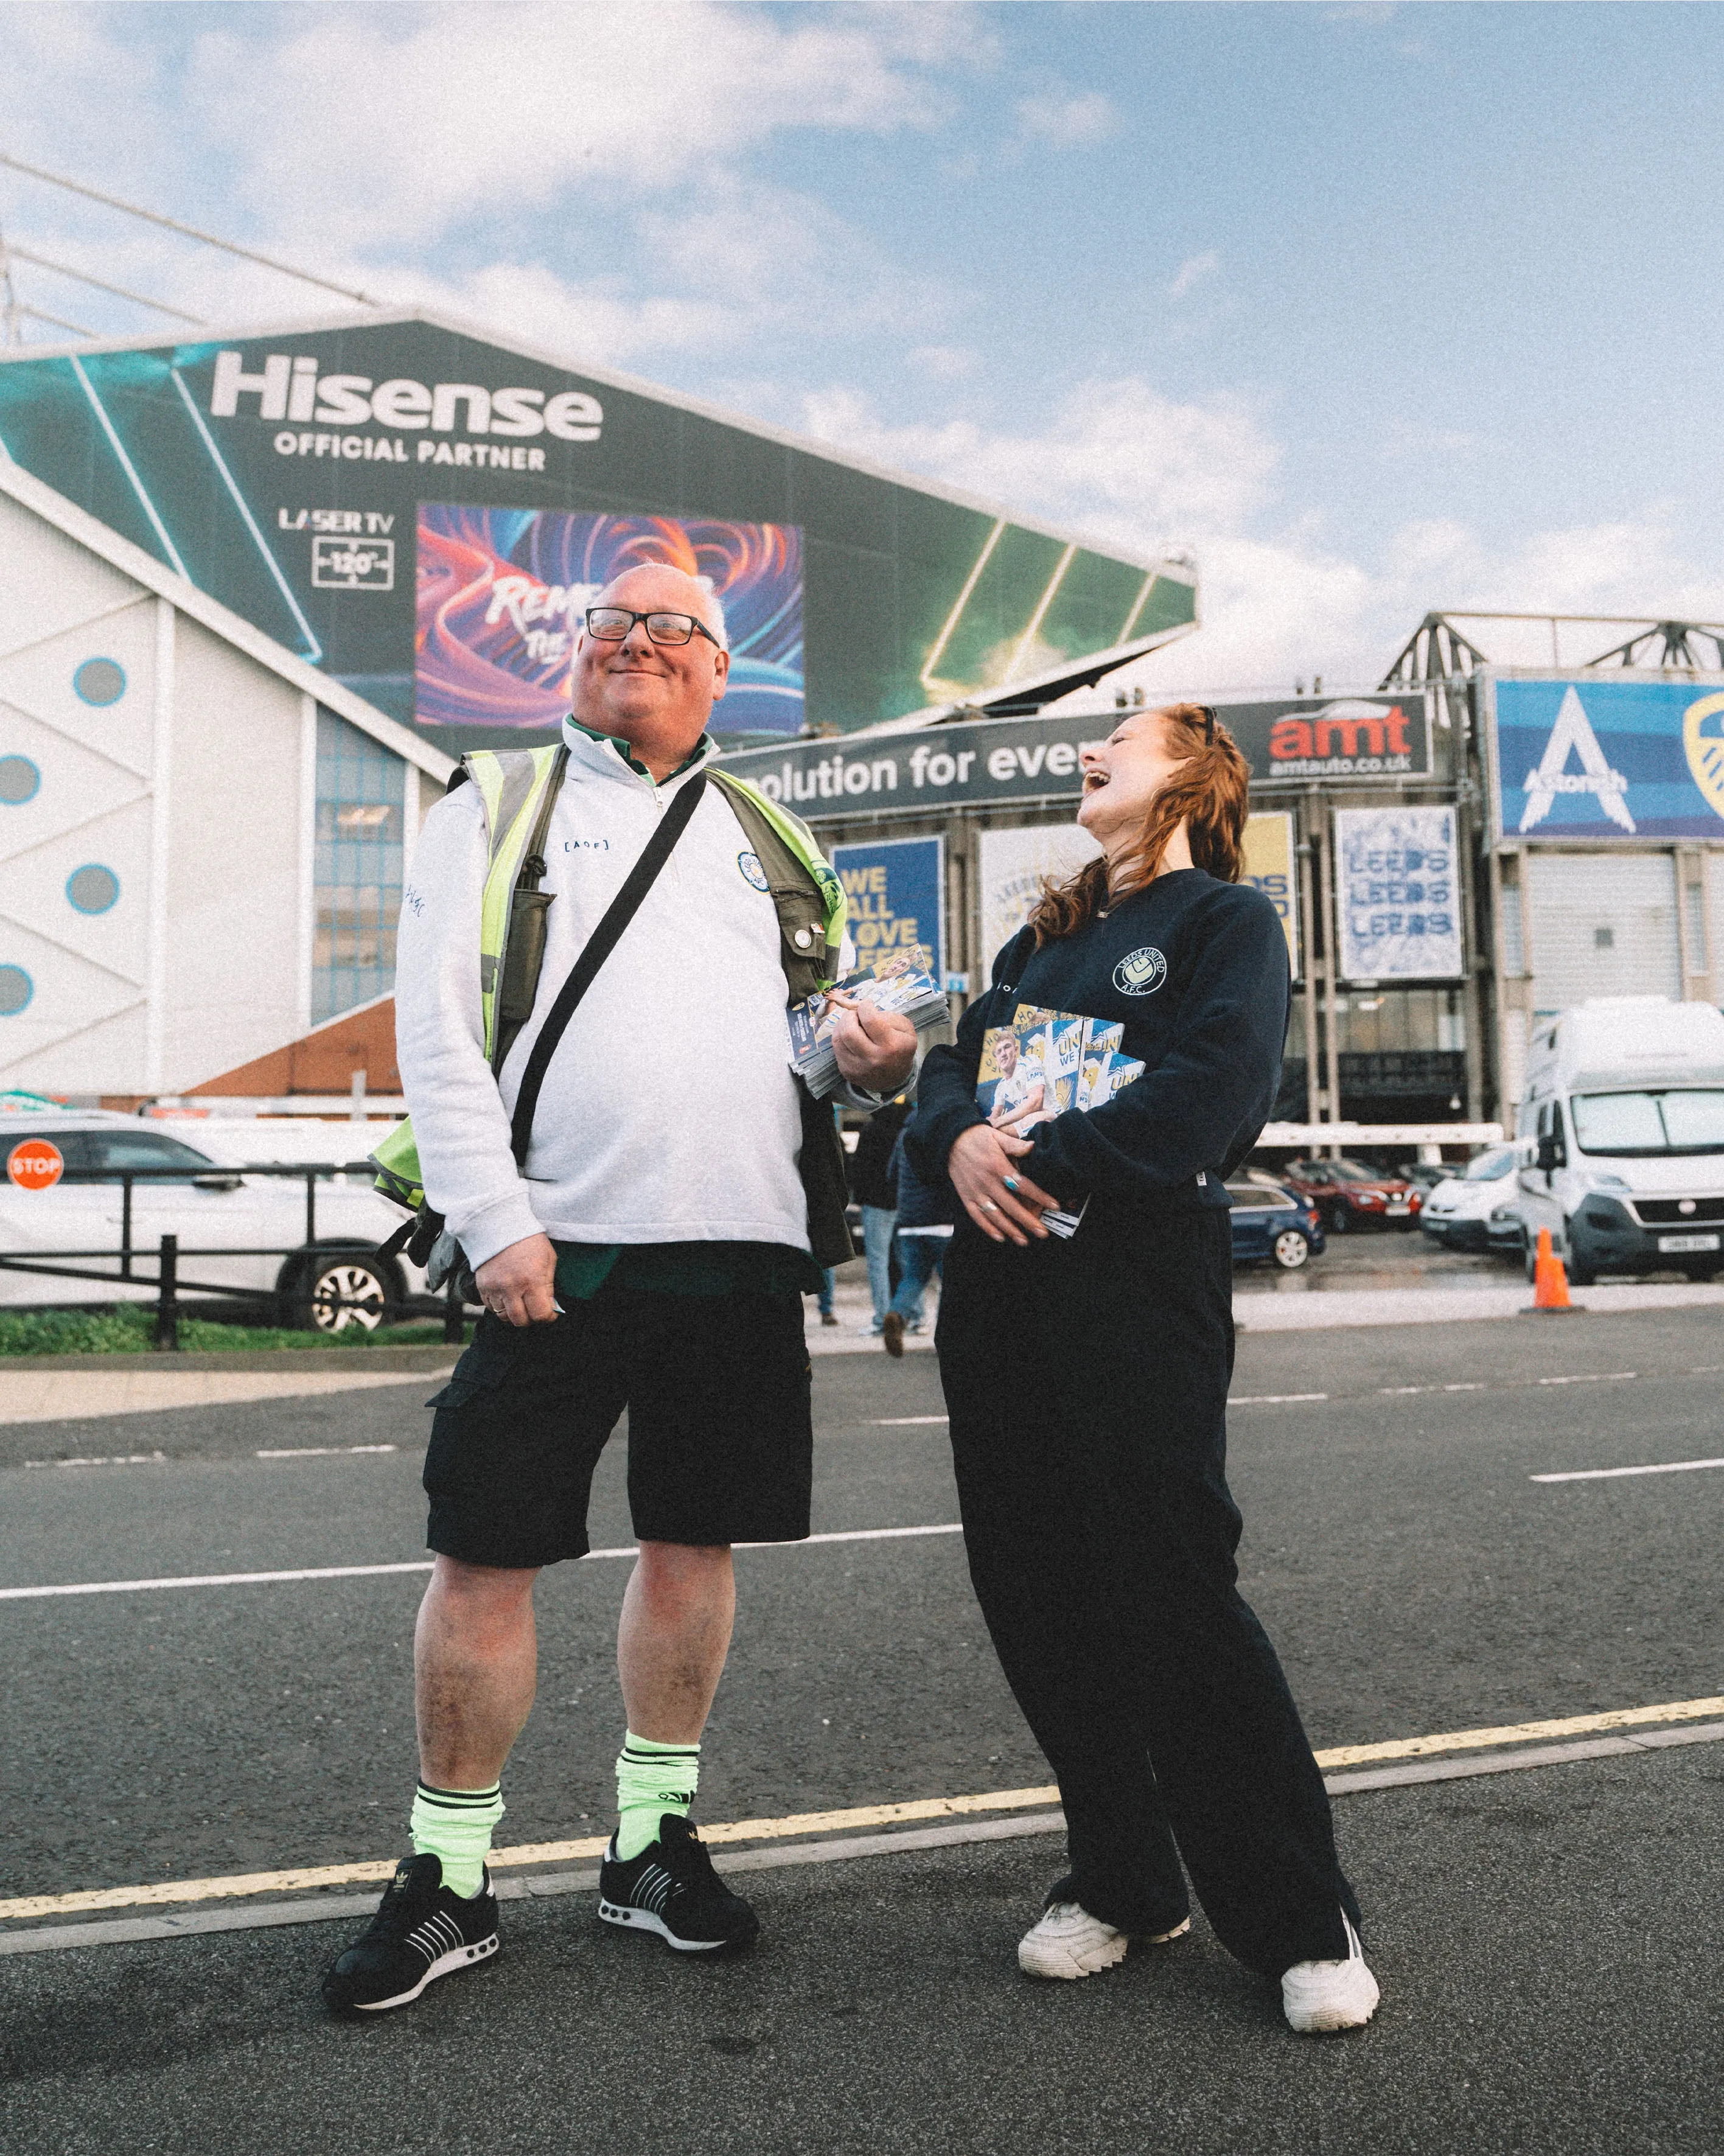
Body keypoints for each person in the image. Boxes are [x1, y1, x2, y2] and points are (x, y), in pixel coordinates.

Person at [323, 563, 916, 2015]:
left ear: (721, 672)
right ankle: (445, 1879)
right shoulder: (495, 806)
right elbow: (439, 1034)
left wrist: (855, 1053)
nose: (633, 645)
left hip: (742, 1243)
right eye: (608, 626)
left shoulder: (765, 830)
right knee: (486, 1552)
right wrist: (493, 1217)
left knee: (696, 1544)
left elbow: (792, 1027)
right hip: (561, 1245)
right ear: (575, 659)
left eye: (669, 630)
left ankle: (649, 1842)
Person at [907, 702, 1378, 2035]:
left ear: (1193, 775)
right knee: (1038, 1590)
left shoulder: (1223, 921)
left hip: (1134, 1287)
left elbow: (1212, 1096)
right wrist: (955, 1142)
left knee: (1172, 1587)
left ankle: (1302, 1918)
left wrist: (1030, 1157)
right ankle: (1126, 1879)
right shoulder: (1040, 938)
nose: (1085, 753)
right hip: (998, 1297)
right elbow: (953, 1071)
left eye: (1119, 737)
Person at [879, 1112, 952, 1357]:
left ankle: (897, 1314)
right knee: (950, 1282)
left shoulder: (904, 1136)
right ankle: (947, 1339)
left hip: (908, 1221)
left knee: (914, 1276)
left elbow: (891, 1175)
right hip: (941, 1222)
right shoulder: (944, 1133)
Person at [848, 1098, 909, 1333]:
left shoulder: (870, 1131)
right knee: (906, 1262)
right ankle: (912, 1316)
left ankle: (882, 1319)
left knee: (878, 1263)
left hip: (876, 1204)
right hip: (901, 1203)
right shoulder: (904, 1131)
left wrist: (859, 1198)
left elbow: (860, 1169)